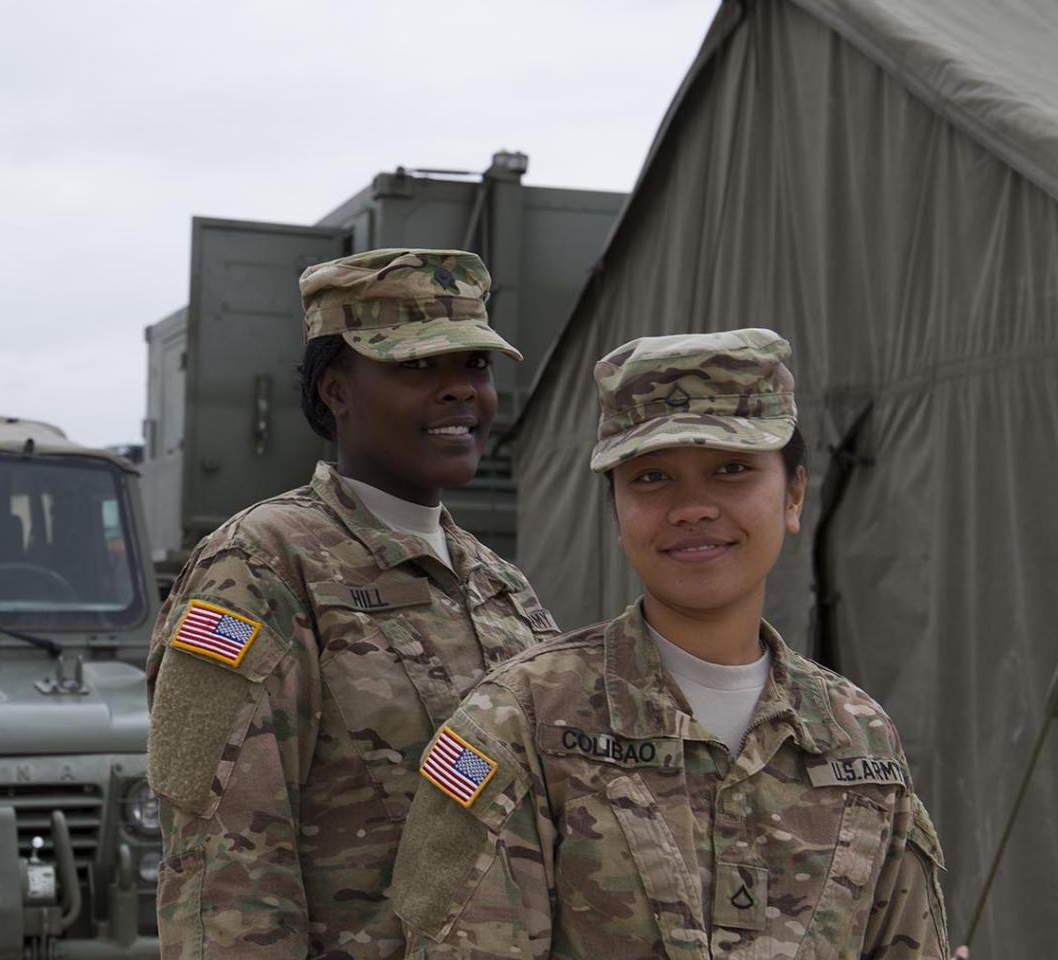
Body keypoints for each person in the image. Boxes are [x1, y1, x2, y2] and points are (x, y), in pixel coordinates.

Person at [392, 328, 949, 959]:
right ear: (616, 512)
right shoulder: (517, 723)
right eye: (652, 477)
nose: (692, 508)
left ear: (794, 495)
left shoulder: (858, 737)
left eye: (732, 469)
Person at [146, 248, 563, 959]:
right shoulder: (260, 568)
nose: (459, 391)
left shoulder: (501, 586)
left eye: (474, 365)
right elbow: (224, 873)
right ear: (336, 390)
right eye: (417, 366)